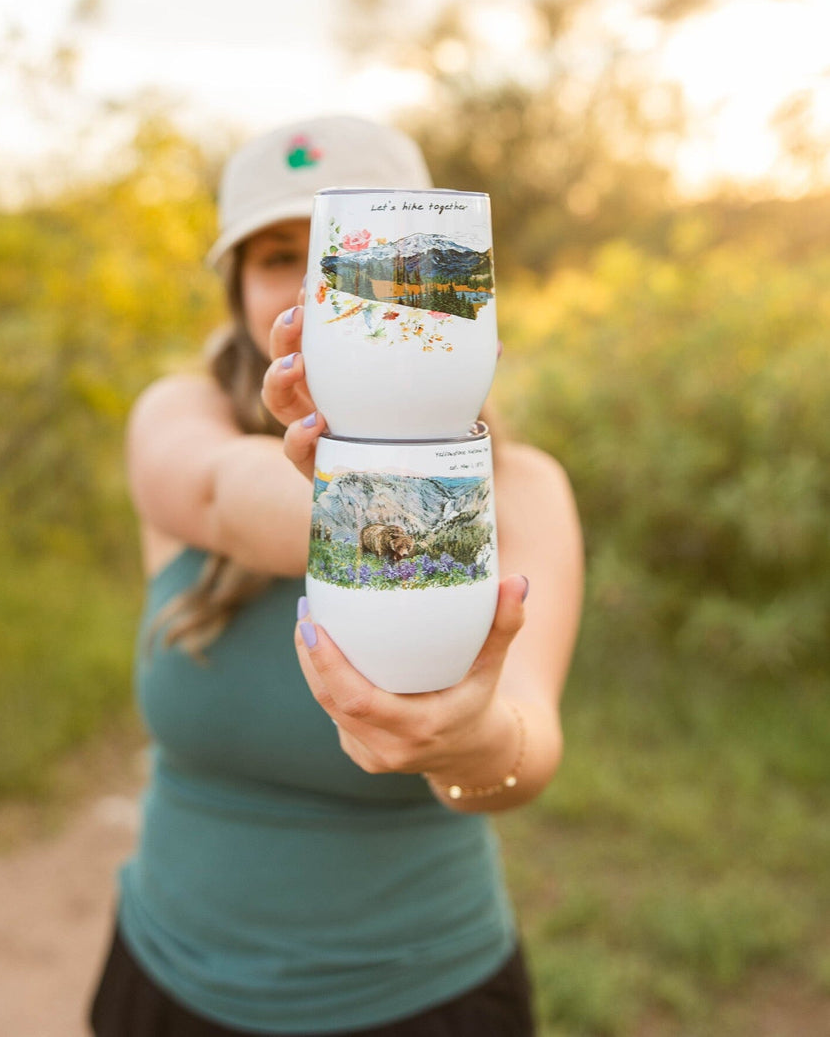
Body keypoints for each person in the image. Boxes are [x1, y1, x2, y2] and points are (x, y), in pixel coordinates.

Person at [88, 114, 584, 1037]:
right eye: (281, 255)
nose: (323, 284)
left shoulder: (529, 491)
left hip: (421, 999)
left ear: (445, 282)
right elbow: (221, 492)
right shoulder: (178, 415)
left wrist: (467, 741)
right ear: (239, 290)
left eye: (350, 253)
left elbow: (527, 754)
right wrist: (381, 470)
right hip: (163, 982)